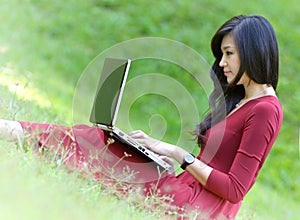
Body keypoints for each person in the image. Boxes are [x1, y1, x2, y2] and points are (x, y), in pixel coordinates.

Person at [0, 15, 283, 219]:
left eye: (228, 54)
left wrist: (177, 153)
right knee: (109, 141)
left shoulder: (266, 110)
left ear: (253, 52)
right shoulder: (241, 99)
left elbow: (234, 189)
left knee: (104, 147)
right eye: (222, 54)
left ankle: (12, 131)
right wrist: (155, 149)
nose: (221, 63)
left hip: (196, 209)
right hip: (185, 190)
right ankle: (17, 132)